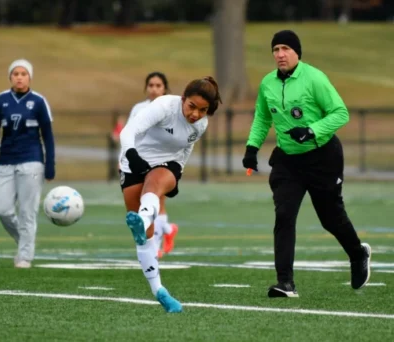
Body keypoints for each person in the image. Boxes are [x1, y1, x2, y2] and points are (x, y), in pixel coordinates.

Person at [242, 30, 371, 298]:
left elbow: (340, 113)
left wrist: (311, 130)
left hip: (323, 157)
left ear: (297, 53)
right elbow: (262, 118)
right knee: (284, 216)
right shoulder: (267, 84)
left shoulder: (314, 78)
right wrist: (252, 148)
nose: (280, 54)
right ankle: (285, 283)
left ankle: (358, 254)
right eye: (276, 49)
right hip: (288, 162)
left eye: (285, 48)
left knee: (330, 218)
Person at [119, 76, 222, 312]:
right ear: (183, 99)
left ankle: (142, 219)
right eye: (192, 107)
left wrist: (179, 173)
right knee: (146, 236)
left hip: (168, 163)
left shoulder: (201, 124)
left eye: (203, 110)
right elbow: (128, 131)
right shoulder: (164, 106)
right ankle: (159, 290)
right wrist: (132, 156)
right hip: (133, 160)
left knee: (153, 187)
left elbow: (186, 148)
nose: (196, 114)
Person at [0, 59, 55, 269]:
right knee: (2, 208)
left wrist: (49, 163)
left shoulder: (39, 101)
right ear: (10, 77)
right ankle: (25, 241)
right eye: (15, 73)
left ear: (30, 77)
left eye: (23, 73)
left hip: (32, 161)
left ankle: (25, 256)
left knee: (27, 211)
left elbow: (48, 136)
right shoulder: (0, 101)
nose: (19, 77)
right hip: (6, 161)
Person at [127, 72, 179, 259]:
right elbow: (129, 133)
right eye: (151, 85)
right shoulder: (138, 108)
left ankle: (155, 245)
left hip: (161, 162)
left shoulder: (172, 109)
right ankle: (167, 228)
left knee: (156, 199)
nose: (154, 89)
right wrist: (124, 157)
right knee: (144, 202)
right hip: (139, 160)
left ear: (165, 88)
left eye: (158, 85)